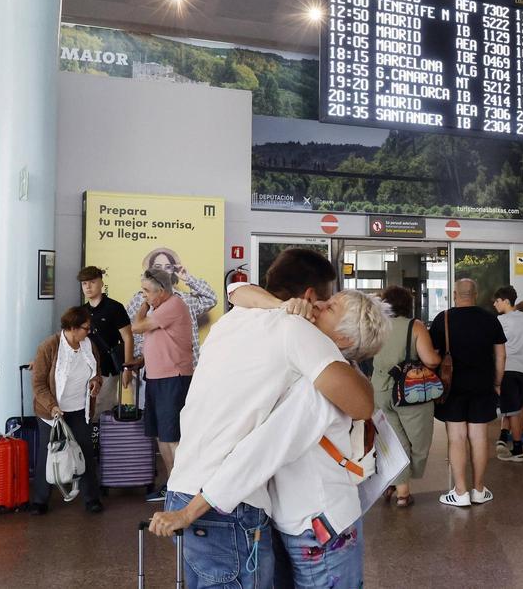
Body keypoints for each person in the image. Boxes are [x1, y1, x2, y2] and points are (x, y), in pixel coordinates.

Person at [150, 248, 373, 588]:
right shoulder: (298, 332)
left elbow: (236, 291)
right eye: (327, 301)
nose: (322, 309)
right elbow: (361, 404)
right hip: (227, 502)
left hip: (187, 484)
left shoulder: (233, 320)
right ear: (310, 297)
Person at [432, 278, 506, 507]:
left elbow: (433, 355)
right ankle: (479, 490)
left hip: (451, 388)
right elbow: (501, 356)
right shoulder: (490, 320)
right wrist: (497, 382)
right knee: (479, 437)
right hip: (482, 386)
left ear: (455, 294)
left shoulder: (442, 319)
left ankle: (461, 492)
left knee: (456, 438)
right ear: (476, 293)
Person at [28, 306, 104, 515]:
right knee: (48, 453)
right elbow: (39, 384)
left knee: (86, 451)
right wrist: (52, 406)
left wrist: (96, 383)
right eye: (85, 328)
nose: (88, 332)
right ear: (72, 328)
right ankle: (40, 500)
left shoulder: (89, 345)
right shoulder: (49, 347)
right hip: (52, 411)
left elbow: (97, 372)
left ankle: (91, 498)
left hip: (80, 408)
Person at [371, 285, 441, 506]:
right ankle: (402, 492)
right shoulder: (415, 326)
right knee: (418, 441)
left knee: (392, 439)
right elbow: (429, 360)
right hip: (409, 391)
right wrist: (439, 358)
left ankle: (395, 482)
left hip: (380, 389)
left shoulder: (377, 326)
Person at [131, 268, 194, 503]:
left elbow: (136, 327)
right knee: (161, 435)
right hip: (157, 378)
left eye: (147, 291)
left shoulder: (173, 305)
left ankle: (183, 487)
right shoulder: (160, 308)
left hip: (173, 378)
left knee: (172, 435)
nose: (144, 295)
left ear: (163, 291)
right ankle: (171, 483)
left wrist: (143, 307)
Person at [125, 247, 217, 369]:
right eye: (158, 267)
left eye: (168, 267)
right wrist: (141, 356)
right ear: (150, 270)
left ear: (173, 271)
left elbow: (211, 298)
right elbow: (130, 331)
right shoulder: (139, 299)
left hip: (183, 368)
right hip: (151, 367)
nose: (163, 271)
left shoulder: (185, 300)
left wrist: (188, 278)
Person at [78, 265, 135, 411]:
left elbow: (127, 337)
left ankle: (104, 433)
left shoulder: (115, 308)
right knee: (87, 408)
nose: (88, 287)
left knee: (104, 408)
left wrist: (127, 368)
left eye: (92, 282)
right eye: (84, 283)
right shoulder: (81, 311)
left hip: (108, 368)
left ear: (101, 283)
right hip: (86, 369)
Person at [493, 286, 523, 463]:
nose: (495, 304)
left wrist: (496, 378)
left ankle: (517, 450)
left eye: (497, 301)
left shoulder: (500, 321)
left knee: (513, 411)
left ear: (506, 301)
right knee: (515, 408)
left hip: (508, 369)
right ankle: (506, 440)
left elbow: (497, 348)